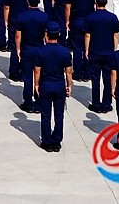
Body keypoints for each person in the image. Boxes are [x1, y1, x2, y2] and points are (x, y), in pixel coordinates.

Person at [34, 23, 72, 152]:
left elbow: (37, 71)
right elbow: (68, 72)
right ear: (59, 34)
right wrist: (69, 85)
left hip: (46, 85)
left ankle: (47, 142)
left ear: (46, 34)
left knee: (46, 115)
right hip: (59, 85)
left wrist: (36, 85)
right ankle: (57, 140)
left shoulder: (41, 51)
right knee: (59, 114)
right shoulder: (65, 52)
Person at [84, 0, 119, 113]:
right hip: (108, 53)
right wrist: (114, 49)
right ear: (106, 1)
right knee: (107, 79)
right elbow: (115, 35)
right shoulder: (112, 17)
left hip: (95, 52)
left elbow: (87, 35)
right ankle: (106, 104)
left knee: (95, 79)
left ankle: (96, 104)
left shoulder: (90, 17)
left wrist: (87, 49)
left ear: (96, 2)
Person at [14, 0, 48, 112]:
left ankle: (28, 102)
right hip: (39, 49)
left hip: (27, 49)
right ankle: (39, 101)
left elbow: (18, 35)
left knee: (27, 77)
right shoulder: (44, 17)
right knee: (40, 76)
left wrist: (18, 49)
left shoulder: (22, 17)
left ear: (28, 1)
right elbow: (46, 35)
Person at [64, 0, 101, 80]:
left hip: (76, 21)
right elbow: (97, 5)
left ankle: (77, 72)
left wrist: (67, 20)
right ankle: (87, 72)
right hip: (89, 22)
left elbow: (68, 7)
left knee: (77, 48)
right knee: (88, 47)